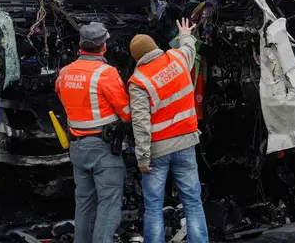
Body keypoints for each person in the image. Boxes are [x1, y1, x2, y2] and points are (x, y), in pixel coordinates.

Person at [127, 18, 208, 243]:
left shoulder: (139, 81)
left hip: (157, 152)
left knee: (153, 206)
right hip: (186, 144)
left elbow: (141, 123)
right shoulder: (176, 58)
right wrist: (185, 33)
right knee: (193, 202)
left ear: (137, 58)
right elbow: (189, 47)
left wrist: (142, 156)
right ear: (154, 46)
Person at [55, 22, 132, 243]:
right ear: (104, 46)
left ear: (81, 46)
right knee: (108, 204)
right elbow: (126, 113)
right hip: (103, 149)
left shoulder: (64, 72)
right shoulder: (105, 73)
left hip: (77, 148)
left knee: (84, 204)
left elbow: (63, 97)